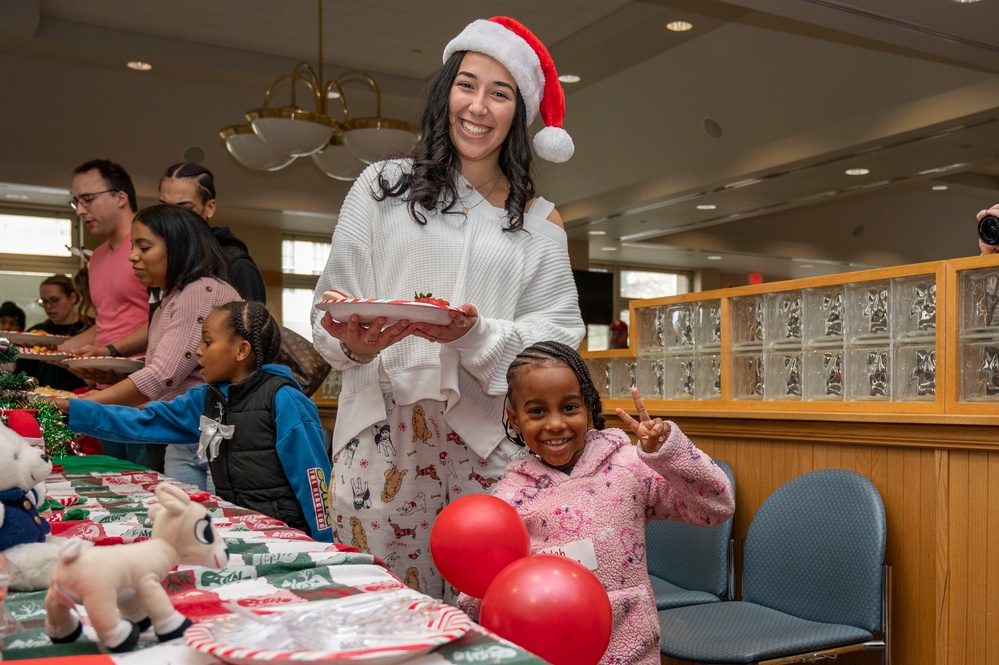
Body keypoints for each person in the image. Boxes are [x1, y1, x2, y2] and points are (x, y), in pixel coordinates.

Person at [310, 16, 583, 598]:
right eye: (467, 84)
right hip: (381, 434)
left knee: (488, 610)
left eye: (500, 92)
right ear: (445, 92)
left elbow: (559, 339)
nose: (478, 106)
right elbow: (327, 306)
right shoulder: (381, 188)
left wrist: (475, 334)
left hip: (488, 445)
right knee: (377, 607)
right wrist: (352, 341)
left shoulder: (540, 223)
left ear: (519, 112)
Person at [457, 341, 734, 664]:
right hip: (549, 652)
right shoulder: (509, 498)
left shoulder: (629, 467)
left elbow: (714, 507)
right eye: (536, 411)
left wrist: (666, 453)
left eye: (570, 407)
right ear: (515, 420)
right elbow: (484, 592)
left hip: (631, 648)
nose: (556, 423)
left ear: (589, 407)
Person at [51, 301, 332, 541]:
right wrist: (72, 410)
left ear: (241, 351)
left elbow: (314, 483)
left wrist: (327, 544)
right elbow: (141, 421)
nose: (198, 351)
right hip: (240, 528)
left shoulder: (284, 400)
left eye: (207, 342)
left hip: (288, 533)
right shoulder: (204, 400)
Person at [72, 204, 241, 489]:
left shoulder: (199, 292)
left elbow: (162, 375)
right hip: (188, 432)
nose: (133, 257)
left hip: (214, 433)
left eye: (144, 247)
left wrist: (78, 406)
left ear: (178, 248)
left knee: (212, 523)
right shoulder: (174, 297)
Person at [59, 160, 150, 465]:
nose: (80, 210)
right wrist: (64, 349)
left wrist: (107, 349)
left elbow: (168, 320)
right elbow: (107, 321)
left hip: (145, 394)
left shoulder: (150, 247)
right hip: (103, 391)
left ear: (120, 197)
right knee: (115, 482)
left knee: (148, 488)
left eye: (88, 200)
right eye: (76, 202)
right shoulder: (97, 256)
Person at [159, 163, 266, 303]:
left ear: (209, 208)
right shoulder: (164, 259)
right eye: (164, 207)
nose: (170, 217)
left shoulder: (237, 266)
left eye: (184, 208)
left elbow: (251, 323)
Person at [15, 275, 91, 391]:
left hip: (84, 399)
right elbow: (21, 375)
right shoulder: (36, 333)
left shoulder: (92, 328)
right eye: (44, 301)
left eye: (54, 300)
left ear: (73, 297)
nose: (48, 307)